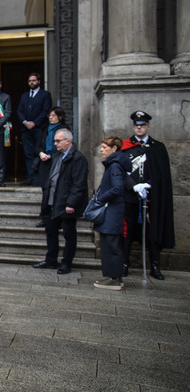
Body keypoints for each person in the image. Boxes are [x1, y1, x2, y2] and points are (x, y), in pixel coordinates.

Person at [121, 111, 175, 280]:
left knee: (153, 231)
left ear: (148, 126)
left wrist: (149, 184)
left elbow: (162, 174)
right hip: (131, 197)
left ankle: (155, 265)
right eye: (137, 125)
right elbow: (120, 171)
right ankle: (124, 264)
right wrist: (133, 185)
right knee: (127, 231)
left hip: (152, 198)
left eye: (142, 125)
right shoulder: (126, 146)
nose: (139, 127)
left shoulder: (158, 147)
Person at [32, 128, 88, 274]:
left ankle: (66, 263)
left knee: (69, 234)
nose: (55, 143)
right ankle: (51, 260)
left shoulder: (78, 158)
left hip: (66, 204)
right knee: (51, 231)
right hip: (52, 202)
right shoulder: (57, 156)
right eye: (55, 140)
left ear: (68, 141)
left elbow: (79, 184)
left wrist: (71, 203)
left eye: (58, 141)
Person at [93, 136, 132, 291]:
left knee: (111, 244)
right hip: (112, 211)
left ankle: (114, 278)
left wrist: (100, 199)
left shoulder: (114, 165)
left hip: (112, 211)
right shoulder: (114, 164)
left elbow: (117, 188)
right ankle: (112, 275)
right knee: (109, 244)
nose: (101, 150)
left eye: (104, 147)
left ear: (114, 149)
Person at [34, 107, 71, 226]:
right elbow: (38, 145)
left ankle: (57, 217)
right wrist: (41, 153)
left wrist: (53, 155)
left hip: (57, 161)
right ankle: (45, 218)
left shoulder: (64, 129)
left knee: (57, 189)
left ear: (60, 117)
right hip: (45, 162)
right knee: (45, 190)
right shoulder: (45, 129)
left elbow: (65, 147)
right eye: (49, 115)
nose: (50, 118)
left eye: (53, 115)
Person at [16, 73, 52, 185]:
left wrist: (34, 123)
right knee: (28, 154)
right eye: (30, 81)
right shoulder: (24, 96)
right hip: (26, 130)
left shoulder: (45, 94)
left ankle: (39, 178)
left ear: (39, 81)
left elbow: (46, 110)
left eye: (34, 80)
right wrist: (25, 122)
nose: (32, 82)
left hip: (39, 129)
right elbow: (19, 111)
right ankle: (30, 177)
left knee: (40, 153)